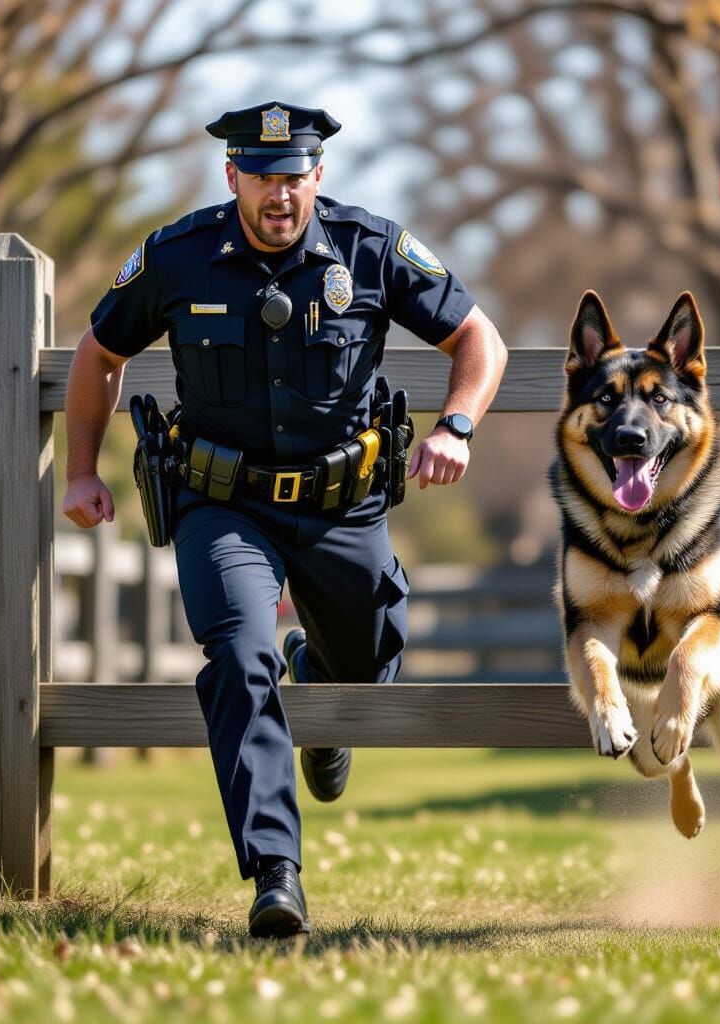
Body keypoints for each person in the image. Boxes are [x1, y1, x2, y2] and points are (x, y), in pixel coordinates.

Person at [62, 101, 508, 938]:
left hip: (345, 505)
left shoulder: (370, 248)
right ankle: (276, 873)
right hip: (222, 504)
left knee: (370, 668)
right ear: (232, 176)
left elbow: (480, 339)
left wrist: (456, 426)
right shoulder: (178, 255)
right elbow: (100, 354)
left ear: (318, 177)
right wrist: (82, 471)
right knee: (237, 650)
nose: (279, 196)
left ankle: (323, 683)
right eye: (262, 179)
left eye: (293, 179)